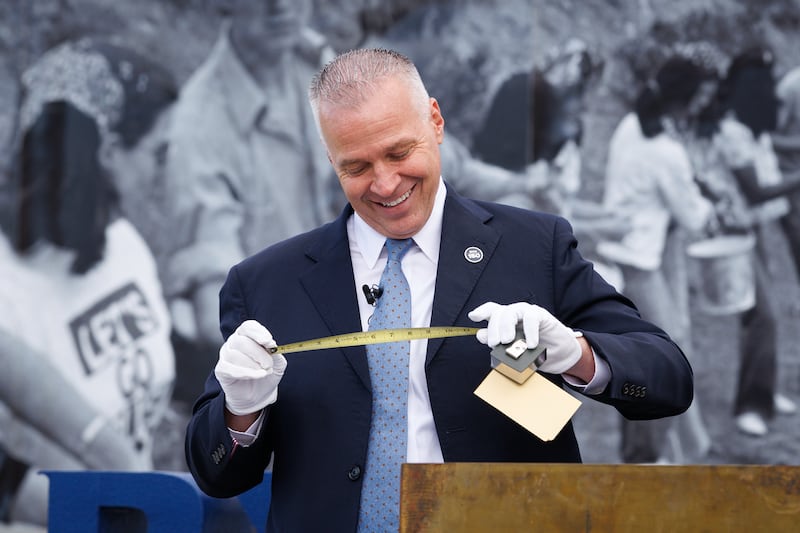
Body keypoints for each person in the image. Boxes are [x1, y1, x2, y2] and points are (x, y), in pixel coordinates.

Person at [185, 48, 694, 532]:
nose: (385, 184)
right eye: (356, 167)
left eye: (399, 152)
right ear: (330, 157)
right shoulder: (266, 284)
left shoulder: (533, 247)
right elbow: (218, 474)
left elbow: (668, 378)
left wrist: (577, 354)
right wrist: (240, 412)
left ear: (435, 120)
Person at [0, 39, 177, 527]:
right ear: (109, 153)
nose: (164, 174)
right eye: (157, 153)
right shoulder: (8, 292)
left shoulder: (120, 242)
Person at [596, 56, 719, 463]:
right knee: (665, 363)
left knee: (637, 360)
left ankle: (654, 452)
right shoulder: (665, 150)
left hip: (625, 255)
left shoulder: (631, 126)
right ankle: (648, 458)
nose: (705, 104)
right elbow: (693, 217)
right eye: (700, 95)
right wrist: (710, 207)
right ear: (685, 97)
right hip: (641, 262)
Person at [692, 46, 799, 436]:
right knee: (764, 317)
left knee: (762, 316)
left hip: (754, 230)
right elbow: (757, 190)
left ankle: (765, 392)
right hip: (734, 234)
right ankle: (751, 406)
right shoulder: (732, 131)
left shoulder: (751, 127)